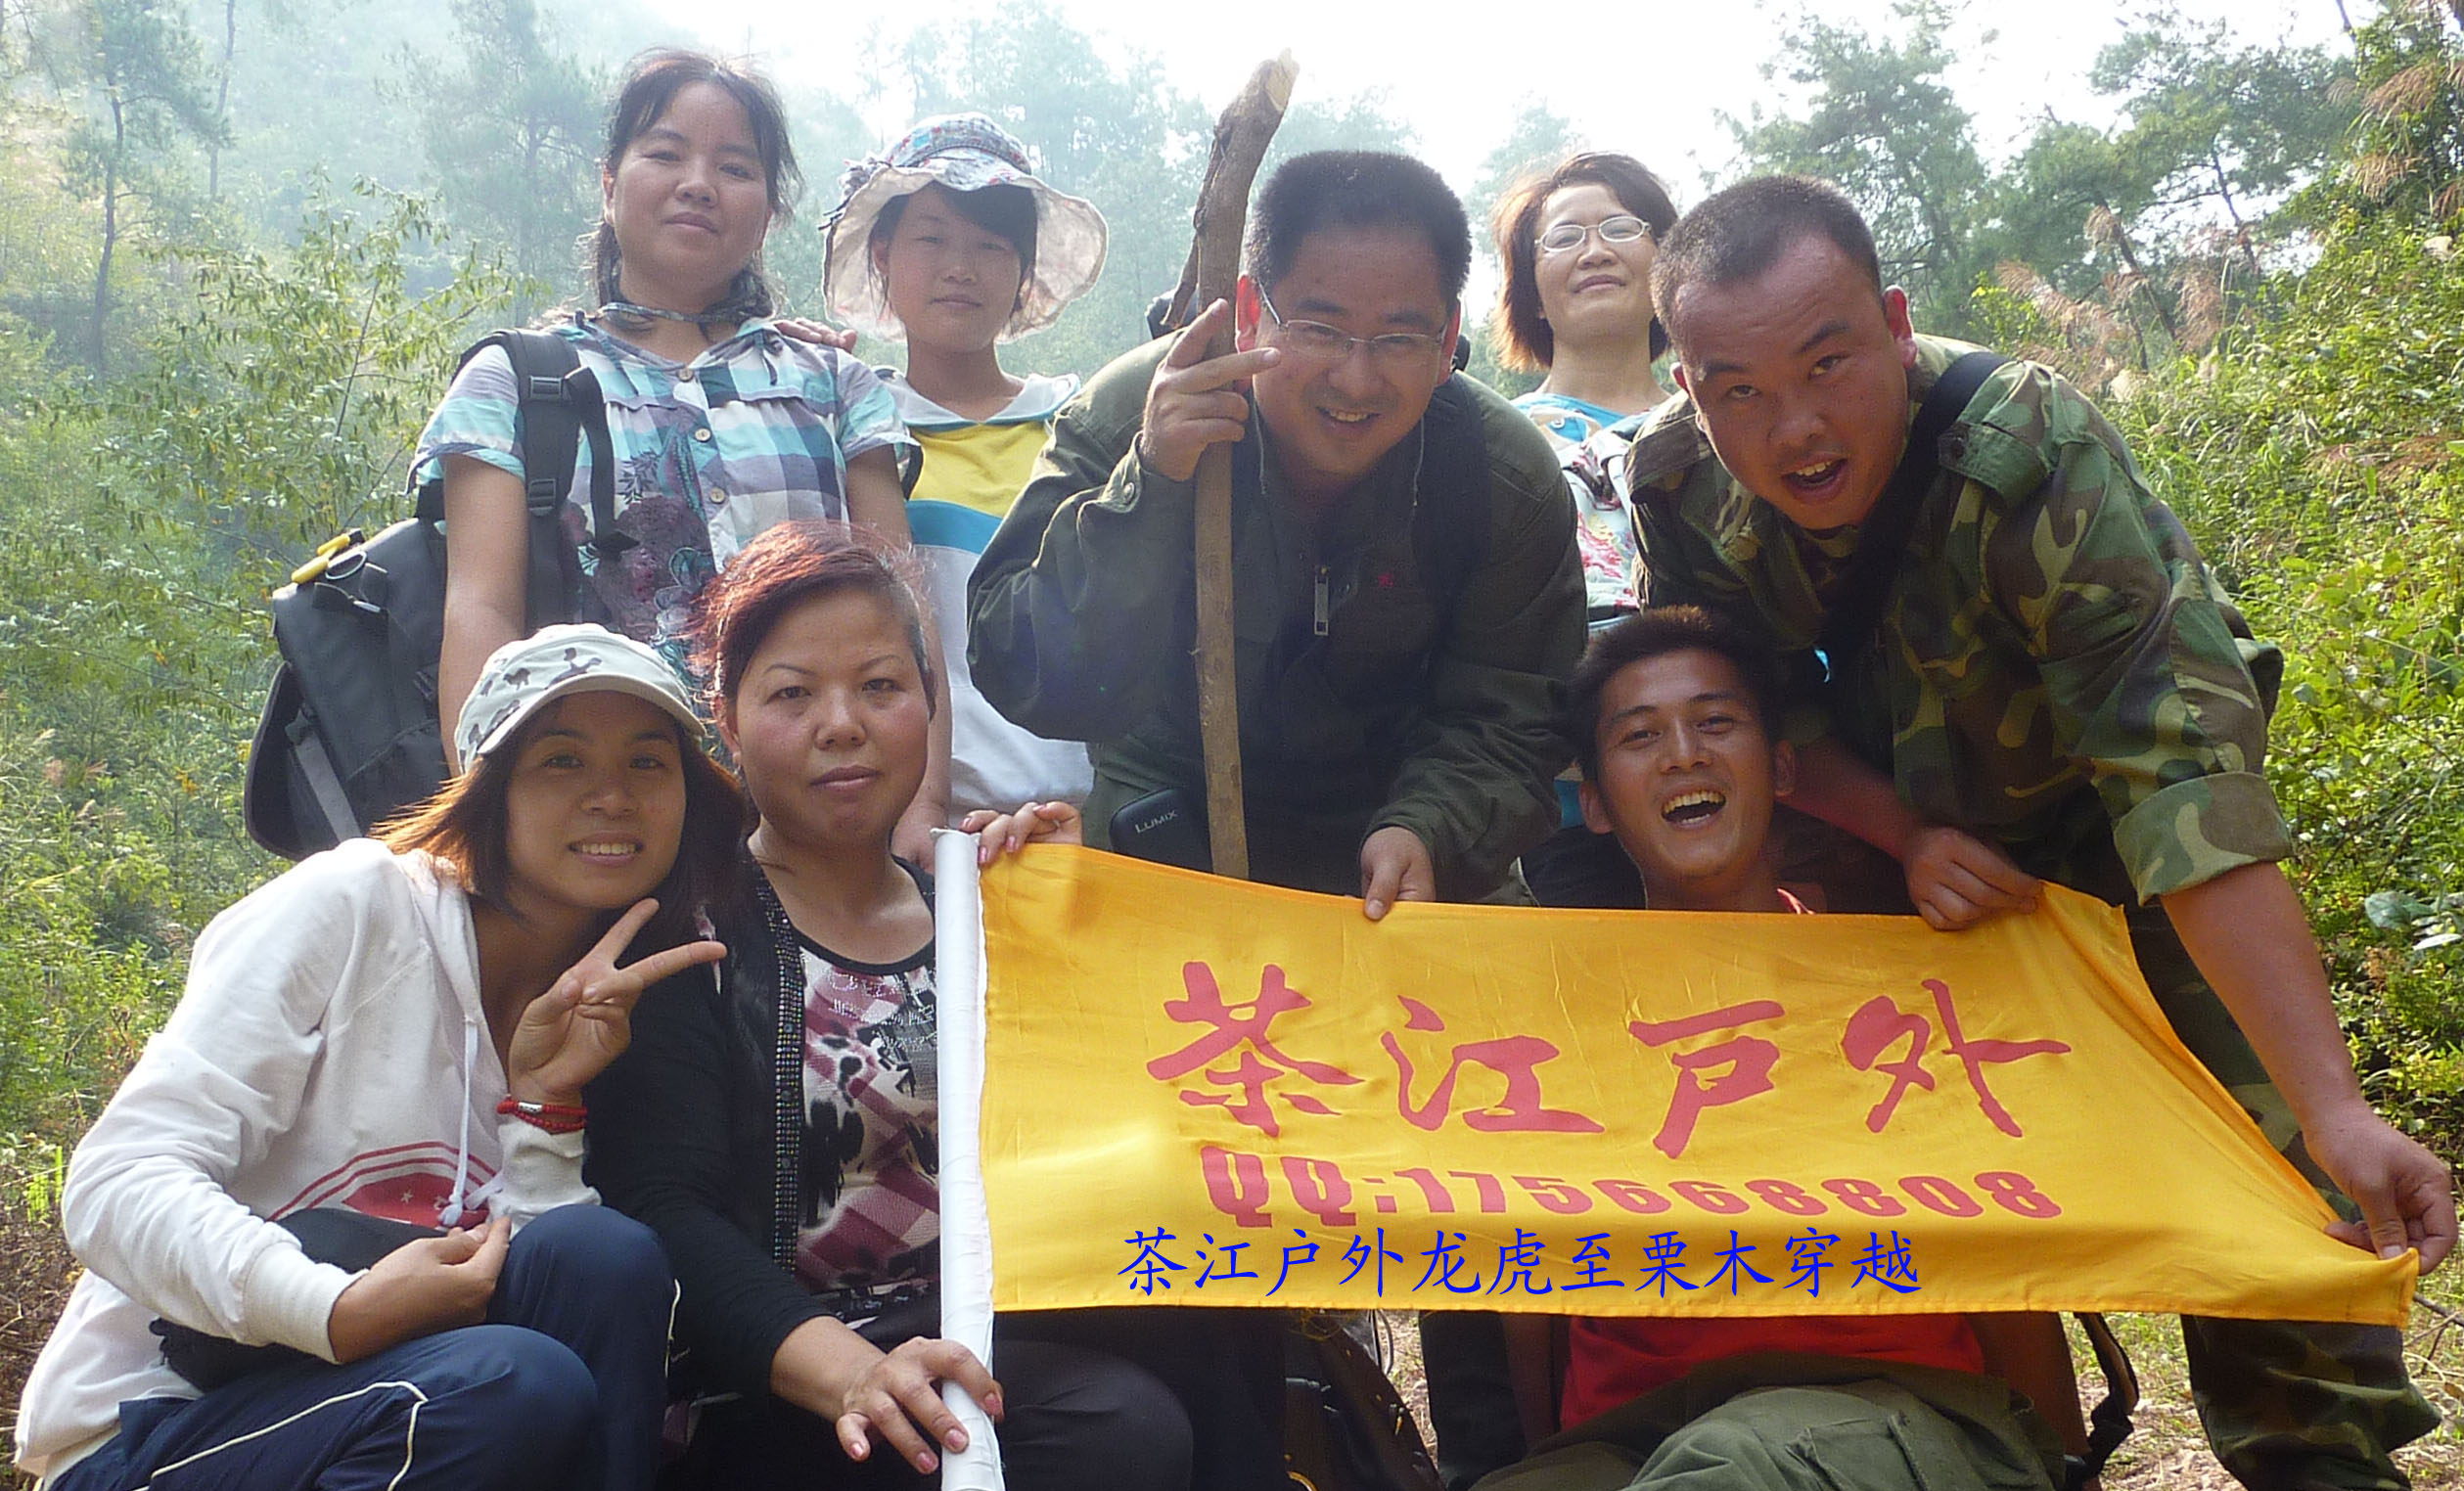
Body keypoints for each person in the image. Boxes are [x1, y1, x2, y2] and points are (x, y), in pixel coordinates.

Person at [1137, 610, 2208, 1491]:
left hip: (1894, 1425)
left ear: (1782, 770)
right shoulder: (1547, 1025)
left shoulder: (1900, 988)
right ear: (1594, 800)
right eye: (1641, 739)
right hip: (1640, 1441)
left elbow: (2013, 1267)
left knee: (1747, 1470)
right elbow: (1540, 1279)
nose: (1684, 757)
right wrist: (1557, 1476)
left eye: (1716, 725)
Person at [1627, 174, 2460, 1491]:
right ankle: (2008, 1490)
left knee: (2248, 1109)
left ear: (1892, 325)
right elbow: (1749, 718)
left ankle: (2340, 1482)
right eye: (1739, 391)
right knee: (1914, 1156)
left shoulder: (2028, 451)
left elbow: (2182, 777)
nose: (1794, 429)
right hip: (1900, 846)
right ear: (1689, 392)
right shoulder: (1675, 487)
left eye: (1828, 364)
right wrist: (1904, 833)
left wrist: (2334, 1108)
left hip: (2113, 831)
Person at [18, 627, 743, 1491]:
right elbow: (116, 1177)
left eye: (649, 761)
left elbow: (559, 1308)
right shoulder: (354, 907)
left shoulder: (612, 1007)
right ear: (491, 789)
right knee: (493, 1385)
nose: (611, 793)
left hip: (400, 1465)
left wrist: (542, 1116)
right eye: (560, 759)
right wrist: (328, 1307)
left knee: (608, 1266)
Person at [586, 520, 1225, 1491]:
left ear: (933, 707)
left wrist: (1069, 915)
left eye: (882, 686)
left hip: (994, 1366)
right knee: (1114, 1439)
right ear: (726, 717)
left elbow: (1126, 1137)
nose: (843, 727)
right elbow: (658, 1210)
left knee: (1208, 1288)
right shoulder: (687, 929)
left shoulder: (987, 905)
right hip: (793, 1422)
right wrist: (830, 1362)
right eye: (792, 694)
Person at [969, 147, 1586, 915]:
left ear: (1448, 336)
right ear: (1250, 311)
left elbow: (1517, 715)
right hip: (1169, 846)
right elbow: (1027, 671)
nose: (1356, 380)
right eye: (1320, 330)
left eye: (1398, 339)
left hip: (1409, 871)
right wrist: (1152, 484)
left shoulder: (1502, 476)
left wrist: (1432, 829)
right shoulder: (1135, 413)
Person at [416, 49, 943, 855]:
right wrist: (486, 833)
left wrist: (917, 821)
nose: (698, 182)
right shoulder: (516, 384)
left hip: (823, 838)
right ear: (609, 181)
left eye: (734, 166)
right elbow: (482, 610)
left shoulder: (836, 387)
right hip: (604, 835)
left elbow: (903, 617)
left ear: (768, 210)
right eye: (665, 154)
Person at [823, 112, 1109, 822]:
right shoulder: (848, 427)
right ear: (883, 253)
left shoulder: (1080, 422)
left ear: (1022, 271)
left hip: (1081, 829)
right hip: (916, 831)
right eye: (932, 238)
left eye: (990, 244)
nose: (961, 267)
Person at [1491, 151, 1679, 911]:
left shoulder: (1733, 419)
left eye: (1620, 227)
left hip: (1731, 808)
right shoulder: (1489, 442)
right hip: (1547, 827)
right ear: (1527, 289)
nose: (1595, 250)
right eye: (1563, 237)